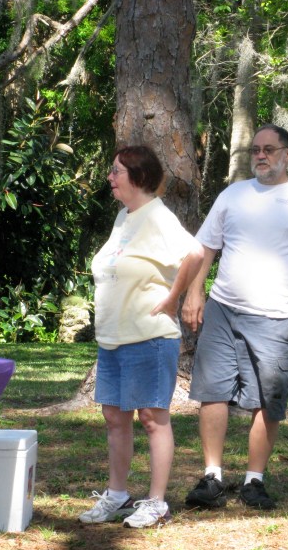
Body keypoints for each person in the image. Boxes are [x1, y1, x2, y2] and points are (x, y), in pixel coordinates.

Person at [181, 123, 288, 510]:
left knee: (267, 401)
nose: (261, 156)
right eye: (255, 150)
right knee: (212, 392)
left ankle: (254, 481)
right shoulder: (233, 195)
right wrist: (195, 292)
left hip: (278, 317)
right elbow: (206, 248)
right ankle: (212, 478)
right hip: (223, 310)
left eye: (269, 149)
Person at [79, 145, 204, 528]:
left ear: (139, 177)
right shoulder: (125, 217)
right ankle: (117, 495)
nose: (110, 177)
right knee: (114, 417)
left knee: (152, 417)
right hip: (113, 339)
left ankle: (157, 502)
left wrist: (174, 297)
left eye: (116, 171)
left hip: (149, 337)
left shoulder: (157, 216)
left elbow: (195, 253)